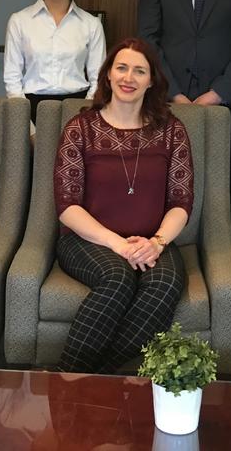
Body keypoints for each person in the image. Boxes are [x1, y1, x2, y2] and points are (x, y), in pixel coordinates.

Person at [52, 37, 194, 373]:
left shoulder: (171, 130)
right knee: (117, 278)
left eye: (139, 71)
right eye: (122, 68)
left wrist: (157, 242)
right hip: (87, 241)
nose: (129, 77)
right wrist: (119, 245)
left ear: (151, 81)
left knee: (165, 285)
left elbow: (181, 200)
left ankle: (87, 378)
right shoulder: (81, 128)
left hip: (151, 239)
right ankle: (73, 379)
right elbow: (67, 205)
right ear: (107, 76)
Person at [3, 0, 106, 124]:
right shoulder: (19, 21)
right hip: (31, 108)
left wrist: (83, 119)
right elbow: (12, 79)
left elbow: (98, 79)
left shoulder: (91, 25)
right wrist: (28, 129)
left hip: (78, 107)